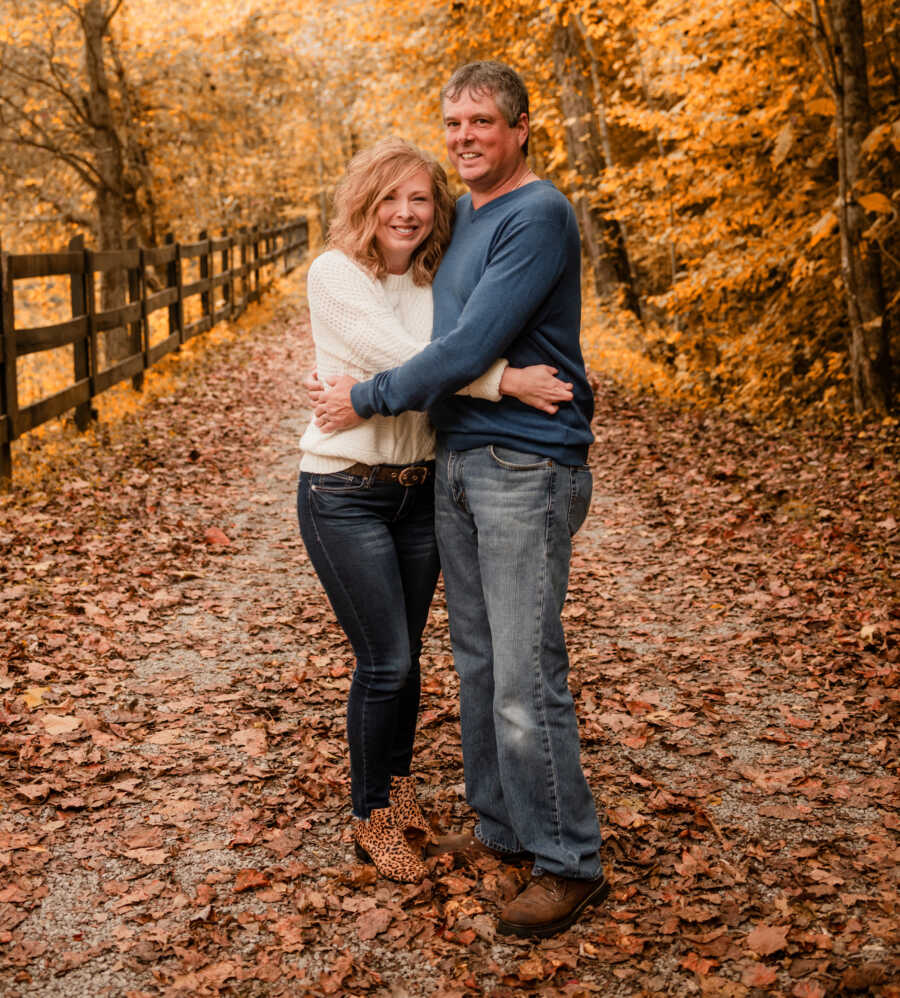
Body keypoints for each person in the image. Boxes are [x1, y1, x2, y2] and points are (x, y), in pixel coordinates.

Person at [313, 62, 608, 937]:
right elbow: (423, 332)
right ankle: (503, 825)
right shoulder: (466, 217)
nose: (465, 137)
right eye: (454, 124)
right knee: (479, 662)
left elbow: (466, 341)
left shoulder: (536, 212)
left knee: (523, 672)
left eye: (483, 121)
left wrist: (365, 397)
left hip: (526, 467)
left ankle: (567, 861)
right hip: (458, 461)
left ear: (521, 130)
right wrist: (496, 381)